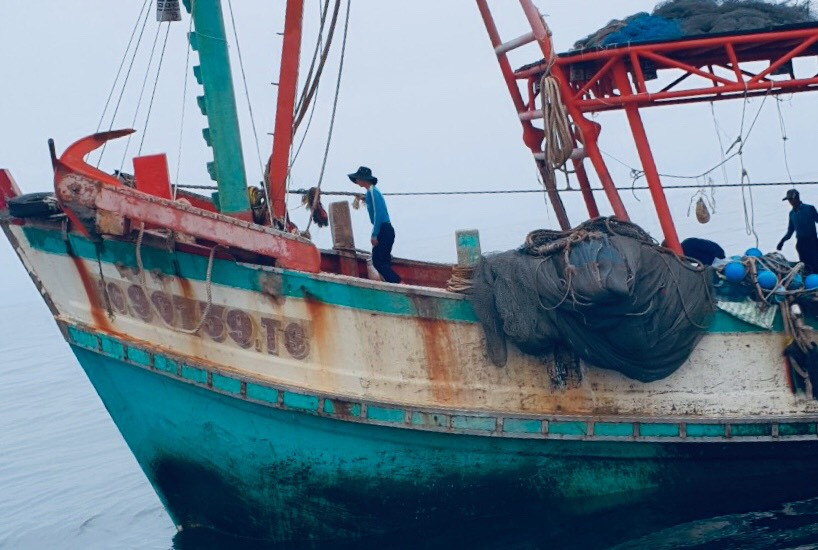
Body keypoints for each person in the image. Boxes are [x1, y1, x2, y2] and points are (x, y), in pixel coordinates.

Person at [348, 166, 401, 284]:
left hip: (383, 229)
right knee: (384, 260)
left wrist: (374, 234)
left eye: (358, 179)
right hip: (386, 229)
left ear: (363, 180)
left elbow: (378, 214)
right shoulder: (371, 192)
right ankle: (391, 283)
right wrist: (364, 198)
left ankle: (396, 282)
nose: (356, 181)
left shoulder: (372, 192)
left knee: (377, 261)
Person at [777, 189, 818, 273]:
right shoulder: (792, 214)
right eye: (788, 200)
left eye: (791, 199)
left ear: (796, 198)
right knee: (805, 266)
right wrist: (782, 241)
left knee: (815, 264)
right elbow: (790, 231)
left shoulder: (809, 208)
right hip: (801, 243)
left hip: (812, 241)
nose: (790, 202)